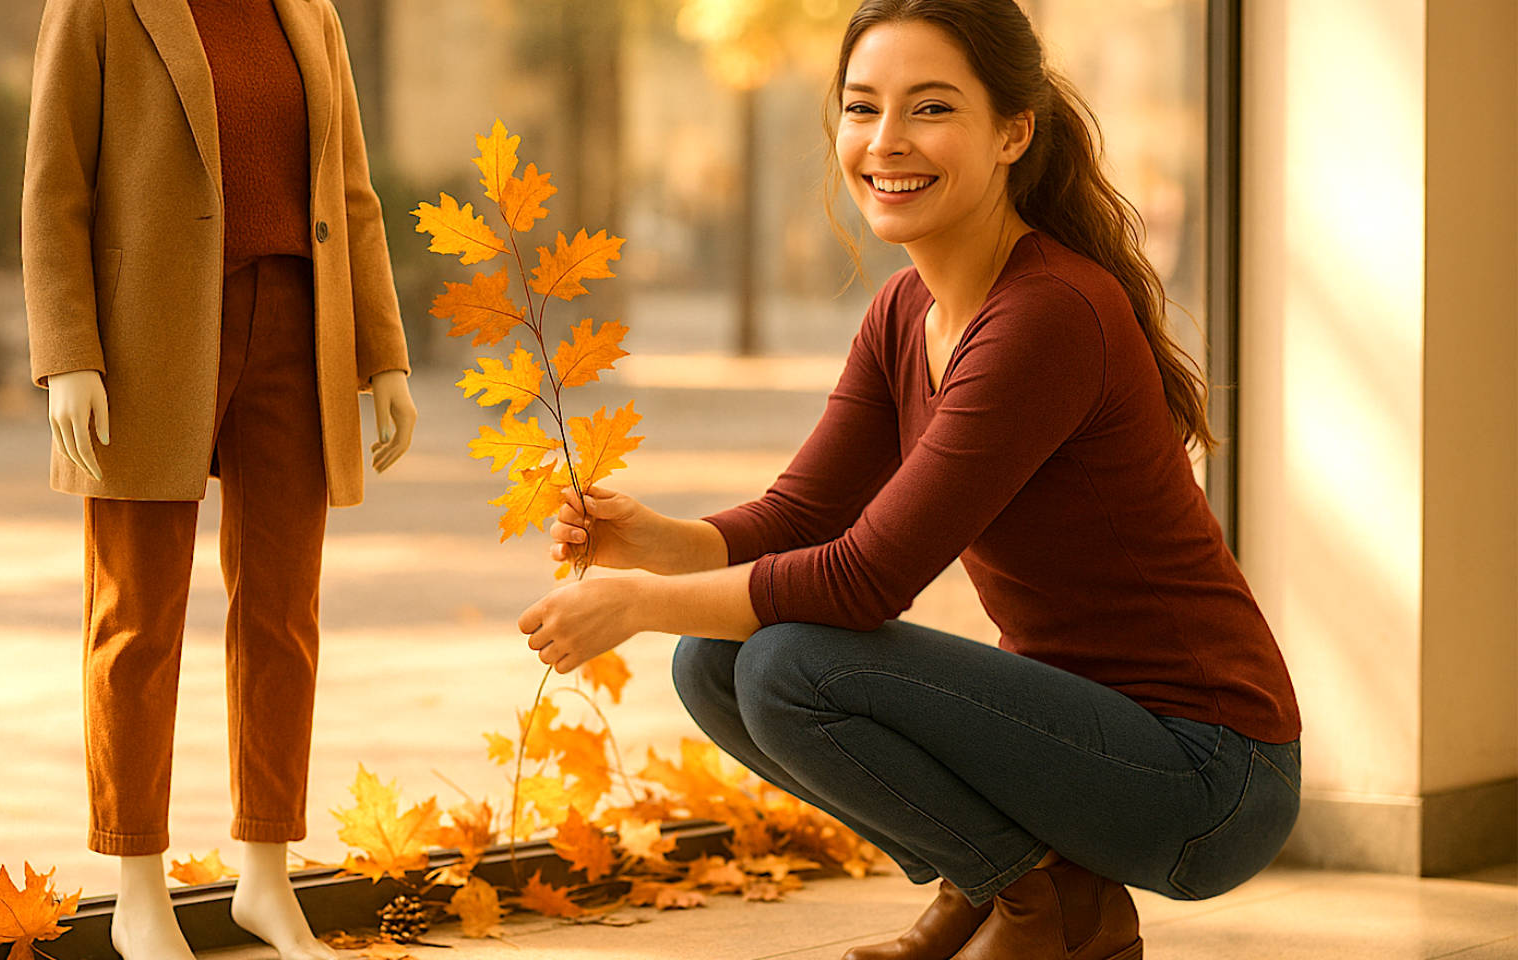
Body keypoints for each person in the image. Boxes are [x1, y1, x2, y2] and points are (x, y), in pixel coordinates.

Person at [517, 1, 1301, 958]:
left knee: (790, 662)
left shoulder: (1047, 315)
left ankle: (1038, 902)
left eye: (930, 109)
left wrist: (642, 602)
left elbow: (861, 581)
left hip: (1209, 772)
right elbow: (799, 516)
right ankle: (1019, 888)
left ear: (1013, 131)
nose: (885, 142)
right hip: (1080, 737)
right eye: (862, 107)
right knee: (715, 663)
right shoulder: (907, 310)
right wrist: (654, 541)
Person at [22, 1, 416, 957]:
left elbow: (350, 192)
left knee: (284, 611)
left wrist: (384, 355)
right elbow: (53, 182)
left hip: (296, 325)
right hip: (143, 337)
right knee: (136, 616)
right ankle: (137, 892)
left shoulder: (310, 11)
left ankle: (266, 878)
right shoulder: (100, 6)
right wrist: (69, 350)